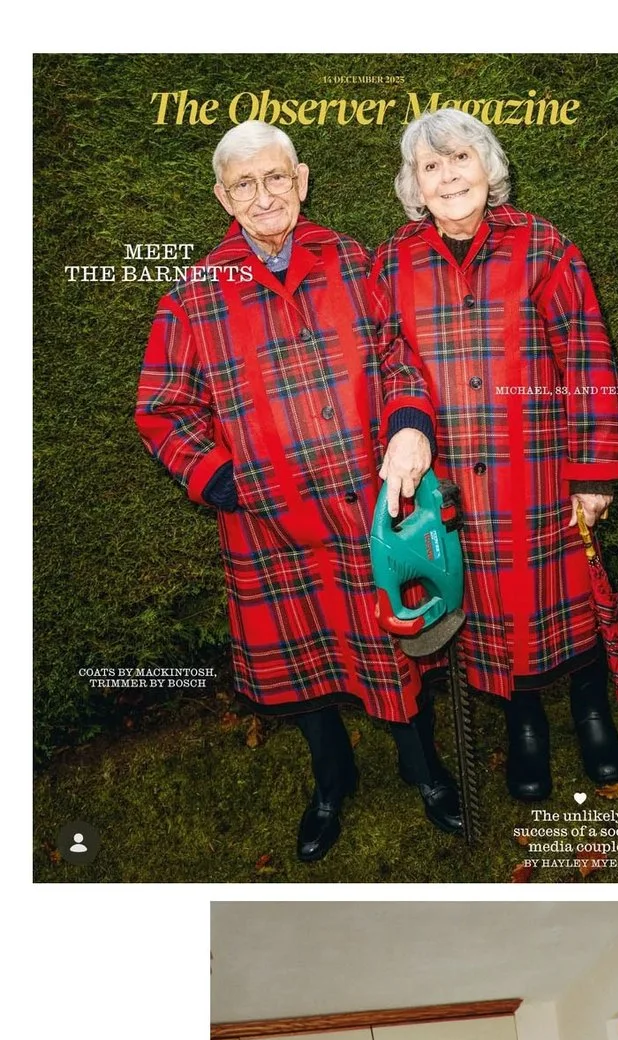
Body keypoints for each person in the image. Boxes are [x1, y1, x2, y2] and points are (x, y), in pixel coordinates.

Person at [135, 119, 458, 863]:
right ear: (223, 197)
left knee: (392, 645)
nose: (263, 194)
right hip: (266, 523)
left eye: (275, 177)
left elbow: (395, 355)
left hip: (364, 509)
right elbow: (160, 408)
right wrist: (222, 480)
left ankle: (423, 767)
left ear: (301, 180)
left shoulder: (348, 259)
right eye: (243, 183)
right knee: (304, 663)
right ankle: (331, 777)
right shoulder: (193, 293)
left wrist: (409, 424)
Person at [373, 108, 618, 802]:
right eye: (432, 166)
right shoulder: (392, 262)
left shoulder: (543, 245)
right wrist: (404, 429)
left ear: (489, 167)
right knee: (489, 613)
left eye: (462, 158)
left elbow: (588, 355)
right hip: (458, 482)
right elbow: (386, 361)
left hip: (542, 470)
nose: (450, 175)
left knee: (568, 599)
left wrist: (594, 471)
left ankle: (590, 709)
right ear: (414, 185)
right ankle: (525, 726)